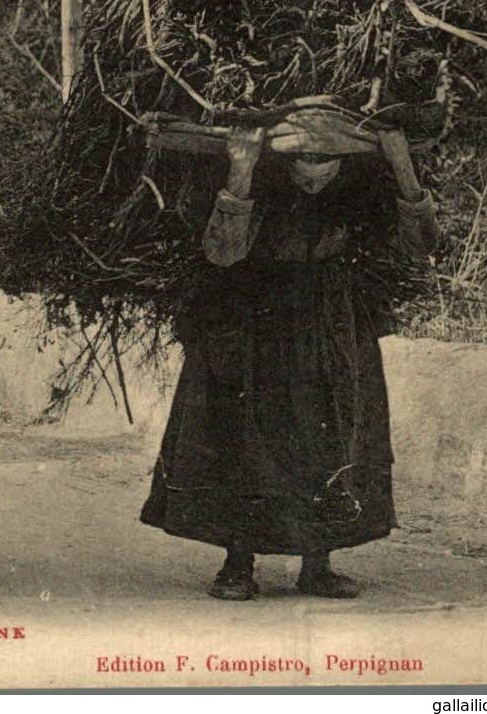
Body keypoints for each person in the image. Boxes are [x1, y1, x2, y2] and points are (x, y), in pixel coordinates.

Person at [140, 123, 439, 600]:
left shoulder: (364, 185)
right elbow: (221, 252)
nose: (315, 172)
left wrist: (401, 162)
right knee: (247, 434)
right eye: (305, 160)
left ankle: (317, 563)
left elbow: (420, 245)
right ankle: (238, 563)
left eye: (327, 160)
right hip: (254, 312)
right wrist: (240, 170)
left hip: (330, 318)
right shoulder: (260, 177)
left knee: (329, 431)